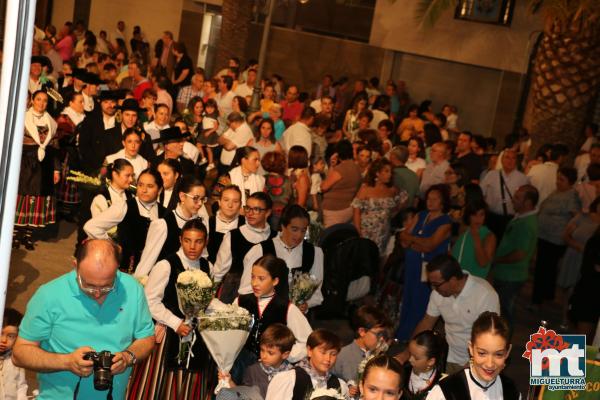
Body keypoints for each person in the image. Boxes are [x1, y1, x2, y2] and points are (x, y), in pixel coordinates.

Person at [13, 239, 155, 399]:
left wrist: (128, 357)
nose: (97, 293)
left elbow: (147, 337)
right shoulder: (48, 295)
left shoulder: (132, 289)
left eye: (107, 285)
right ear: (75, 265)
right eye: (88, 285)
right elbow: (20, 353)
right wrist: (67, 362)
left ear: (117, 270)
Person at [131, 219, 216, 398]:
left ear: (205, 242)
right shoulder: (166, 265)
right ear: (180, 239)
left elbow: (208, 301)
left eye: (198, 241)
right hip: (169, 335)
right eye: (187, 240)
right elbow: (150, 300)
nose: (192, 246)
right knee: (158, 387)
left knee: (188, 388)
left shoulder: (208, 266)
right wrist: (175, 323)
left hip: (195, 336)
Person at [413, 254, 500, 374]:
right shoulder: (437, 294)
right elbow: (427, 322)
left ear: (453, 280)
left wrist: (470, 366)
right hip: (447, 357)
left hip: (477, 361)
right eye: (431, 284)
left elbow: (490, 336)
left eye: (436, 284)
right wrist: (409, 352)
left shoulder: (485, 294)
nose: (433, 288)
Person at [230, 255, 311, 379]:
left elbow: (308, 341)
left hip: (270, 373)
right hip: (240, 367)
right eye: (253, 277)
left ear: (275, 281)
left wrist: (285, 354)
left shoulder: (288, 308)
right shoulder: (240, 301)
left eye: (261, 278)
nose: (255, 283)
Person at [240, 205, 325, 311]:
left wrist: (306, 304)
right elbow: (246, 289)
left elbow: (316, 292)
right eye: (294, 229)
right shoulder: (260, 250)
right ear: (283, 226)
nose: (299, 235)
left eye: (303, 230)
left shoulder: (314, 252)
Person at [396, 184, 452, 340]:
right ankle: (403, 333)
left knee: (422, 300)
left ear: (442, 202)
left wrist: (413, 240)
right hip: (413, 264)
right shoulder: (420, 215)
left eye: (435, 199)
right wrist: (418, 242)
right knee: (409, 297)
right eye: (429, 198)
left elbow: (430, 245)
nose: (430, 202)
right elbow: (403, 238)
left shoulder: (445, 221)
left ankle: (418, 336)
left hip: (429, 267)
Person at [84, 169, 167, 272]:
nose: (144, 190)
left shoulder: (165, 213)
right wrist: (113, 246)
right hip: (126, 269)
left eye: (150, 186)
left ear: (160, 190)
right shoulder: (125, 206)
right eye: (140, 185)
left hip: (153, 271)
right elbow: (91, 227)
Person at [426, 312, 520, 400]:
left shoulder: (511, 391)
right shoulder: (445, 391)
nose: (490, 364)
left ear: (507, 352)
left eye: (498, 354)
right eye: (482, 353)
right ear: (471, 348)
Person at [135, 177, 208, 277]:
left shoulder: (202, 222)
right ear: (182, 196)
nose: (200, 203)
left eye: (202, 199)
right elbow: (148, 260)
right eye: (195, 198)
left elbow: (203, 255)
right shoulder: (163, 224)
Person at [14, 90, 59, 250]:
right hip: (24, 165)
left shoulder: (51, 123)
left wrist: (56, 170)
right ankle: (15, 235)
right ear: (32, 100)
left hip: (43, 167)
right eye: (38, 99)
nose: (41, 103)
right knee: (21, 199)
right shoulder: (21, 118)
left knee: (36, 201)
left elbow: (54, 149)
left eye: (45, 100)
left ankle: (27, 236)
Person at [530, 167, 580, 311]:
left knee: (543, 269)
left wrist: (568, 231)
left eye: (562, 180)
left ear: (570, 182)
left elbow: (575, 216)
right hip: (545, 236)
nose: (558, 182)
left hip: (555, 239)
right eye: (557, 178)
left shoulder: (571, 196)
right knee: (547, 269)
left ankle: (537, 300)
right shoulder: (557, 192)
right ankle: (546, 294)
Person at [492, 184, 539, 332]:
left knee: (505, 314)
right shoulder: (521, 218)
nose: (513, 199)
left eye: (518, 197)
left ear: (528, 203)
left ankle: (505, 344)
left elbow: (520, 254)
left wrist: (497, 260)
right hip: (507, 274)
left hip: (511, 276)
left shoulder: (526, 224)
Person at [213, 192, 274, 303]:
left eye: (256, 209)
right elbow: (219, 271)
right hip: (235, 295)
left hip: (266, 297)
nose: (250, 213)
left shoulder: (276, 238)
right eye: (247, 208)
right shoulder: (233, 236)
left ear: (268, 212)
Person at [265, 329, 349, 399]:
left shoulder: (340, 385)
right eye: (323, 352)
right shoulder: (288, 379)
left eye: (333, 354)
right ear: (309, 351)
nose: (328, 359)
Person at [558, 197, 600, 329]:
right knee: (570, 289)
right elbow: (565, 235)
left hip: (592, 281)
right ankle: (566, 318)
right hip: (575, 258)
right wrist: (580, 247)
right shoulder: (583, 217)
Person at [333, 305, 390, 397]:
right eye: (378, 334)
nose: (382, 338)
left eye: (383, 334)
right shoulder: (342, 355)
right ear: (362, 332)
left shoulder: (380, 355)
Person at [352, 158, 404, 254]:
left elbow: (403, 199)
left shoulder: (392, 189)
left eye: (391, 172)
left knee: (380, 258)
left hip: (384, 232)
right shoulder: (365, 189)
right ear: (377, 173)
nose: (390, 174)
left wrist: (392, 213)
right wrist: (358, 232)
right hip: (366, 232)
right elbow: (356, 212)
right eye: (386, 171)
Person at [480, 148, 529, 240]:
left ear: (516, 161)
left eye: (513, 158)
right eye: (507, 158)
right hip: (490, 217)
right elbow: (481, 193)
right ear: (502, 160)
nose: (510, 161)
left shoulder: (523, 179)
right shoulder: (491, 175)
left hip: (509, 219)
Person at [321, 140, 362, 228]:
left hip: (334, 209)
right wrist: (333, 166)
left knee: (331, 237)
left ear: (338, 153)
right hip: (348, 208)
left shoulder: (341, 169)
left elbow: (324, 187)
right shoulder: (357, 168)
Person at [451, 200, 496, 278]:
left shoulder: (489, 236)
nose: (478, 218)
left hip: (474, 280)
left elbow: (483, 263)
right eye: (474, 215)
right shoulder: (464, 231)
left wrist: (476, 238)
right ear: (469, 216)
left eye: (481, 215)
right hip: (457, 277)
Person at [403, 330, 447, 400]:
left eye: (416, 358)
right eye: (410, 353)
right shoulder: (403, 371)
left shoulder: (441, 383)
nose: (410, 359)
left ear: (431, 361)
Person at [206, 185, 245, 263]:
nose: (230, 205)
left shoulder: (245, 224)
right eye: (226, 200)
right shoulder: (209, 222)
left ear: (240, 204)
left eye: (235, 201)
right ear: (219, 202)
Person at [0, 308, 28, 400]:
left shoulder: (16, 359)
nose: (4, 340)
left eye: (11, 336)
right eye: (0, 333)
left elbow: (21, 386)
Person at [263, 151, 293, 231]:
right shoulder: (288, 180)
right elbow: (291, 197)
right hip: (284, 214)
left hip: (268, 214)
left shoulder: (263, 179)